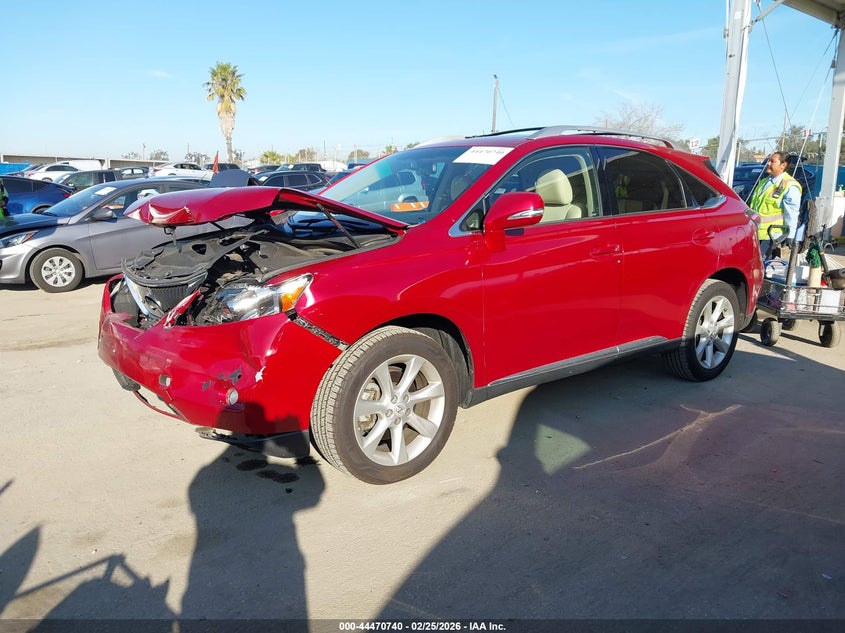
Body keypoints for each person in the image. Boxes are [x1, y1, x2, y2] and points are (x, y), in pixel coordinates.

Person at [748, 151, 802, 259]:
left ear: (783, 165)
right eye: (768, 160)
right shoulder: (764, 181)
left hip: (772, 235)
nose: (768, 163)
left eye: (772, 161)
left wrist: (790, 236)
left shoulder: (789, 185)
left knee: (760, 265)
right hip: (756, 233)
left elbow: (791, 213)